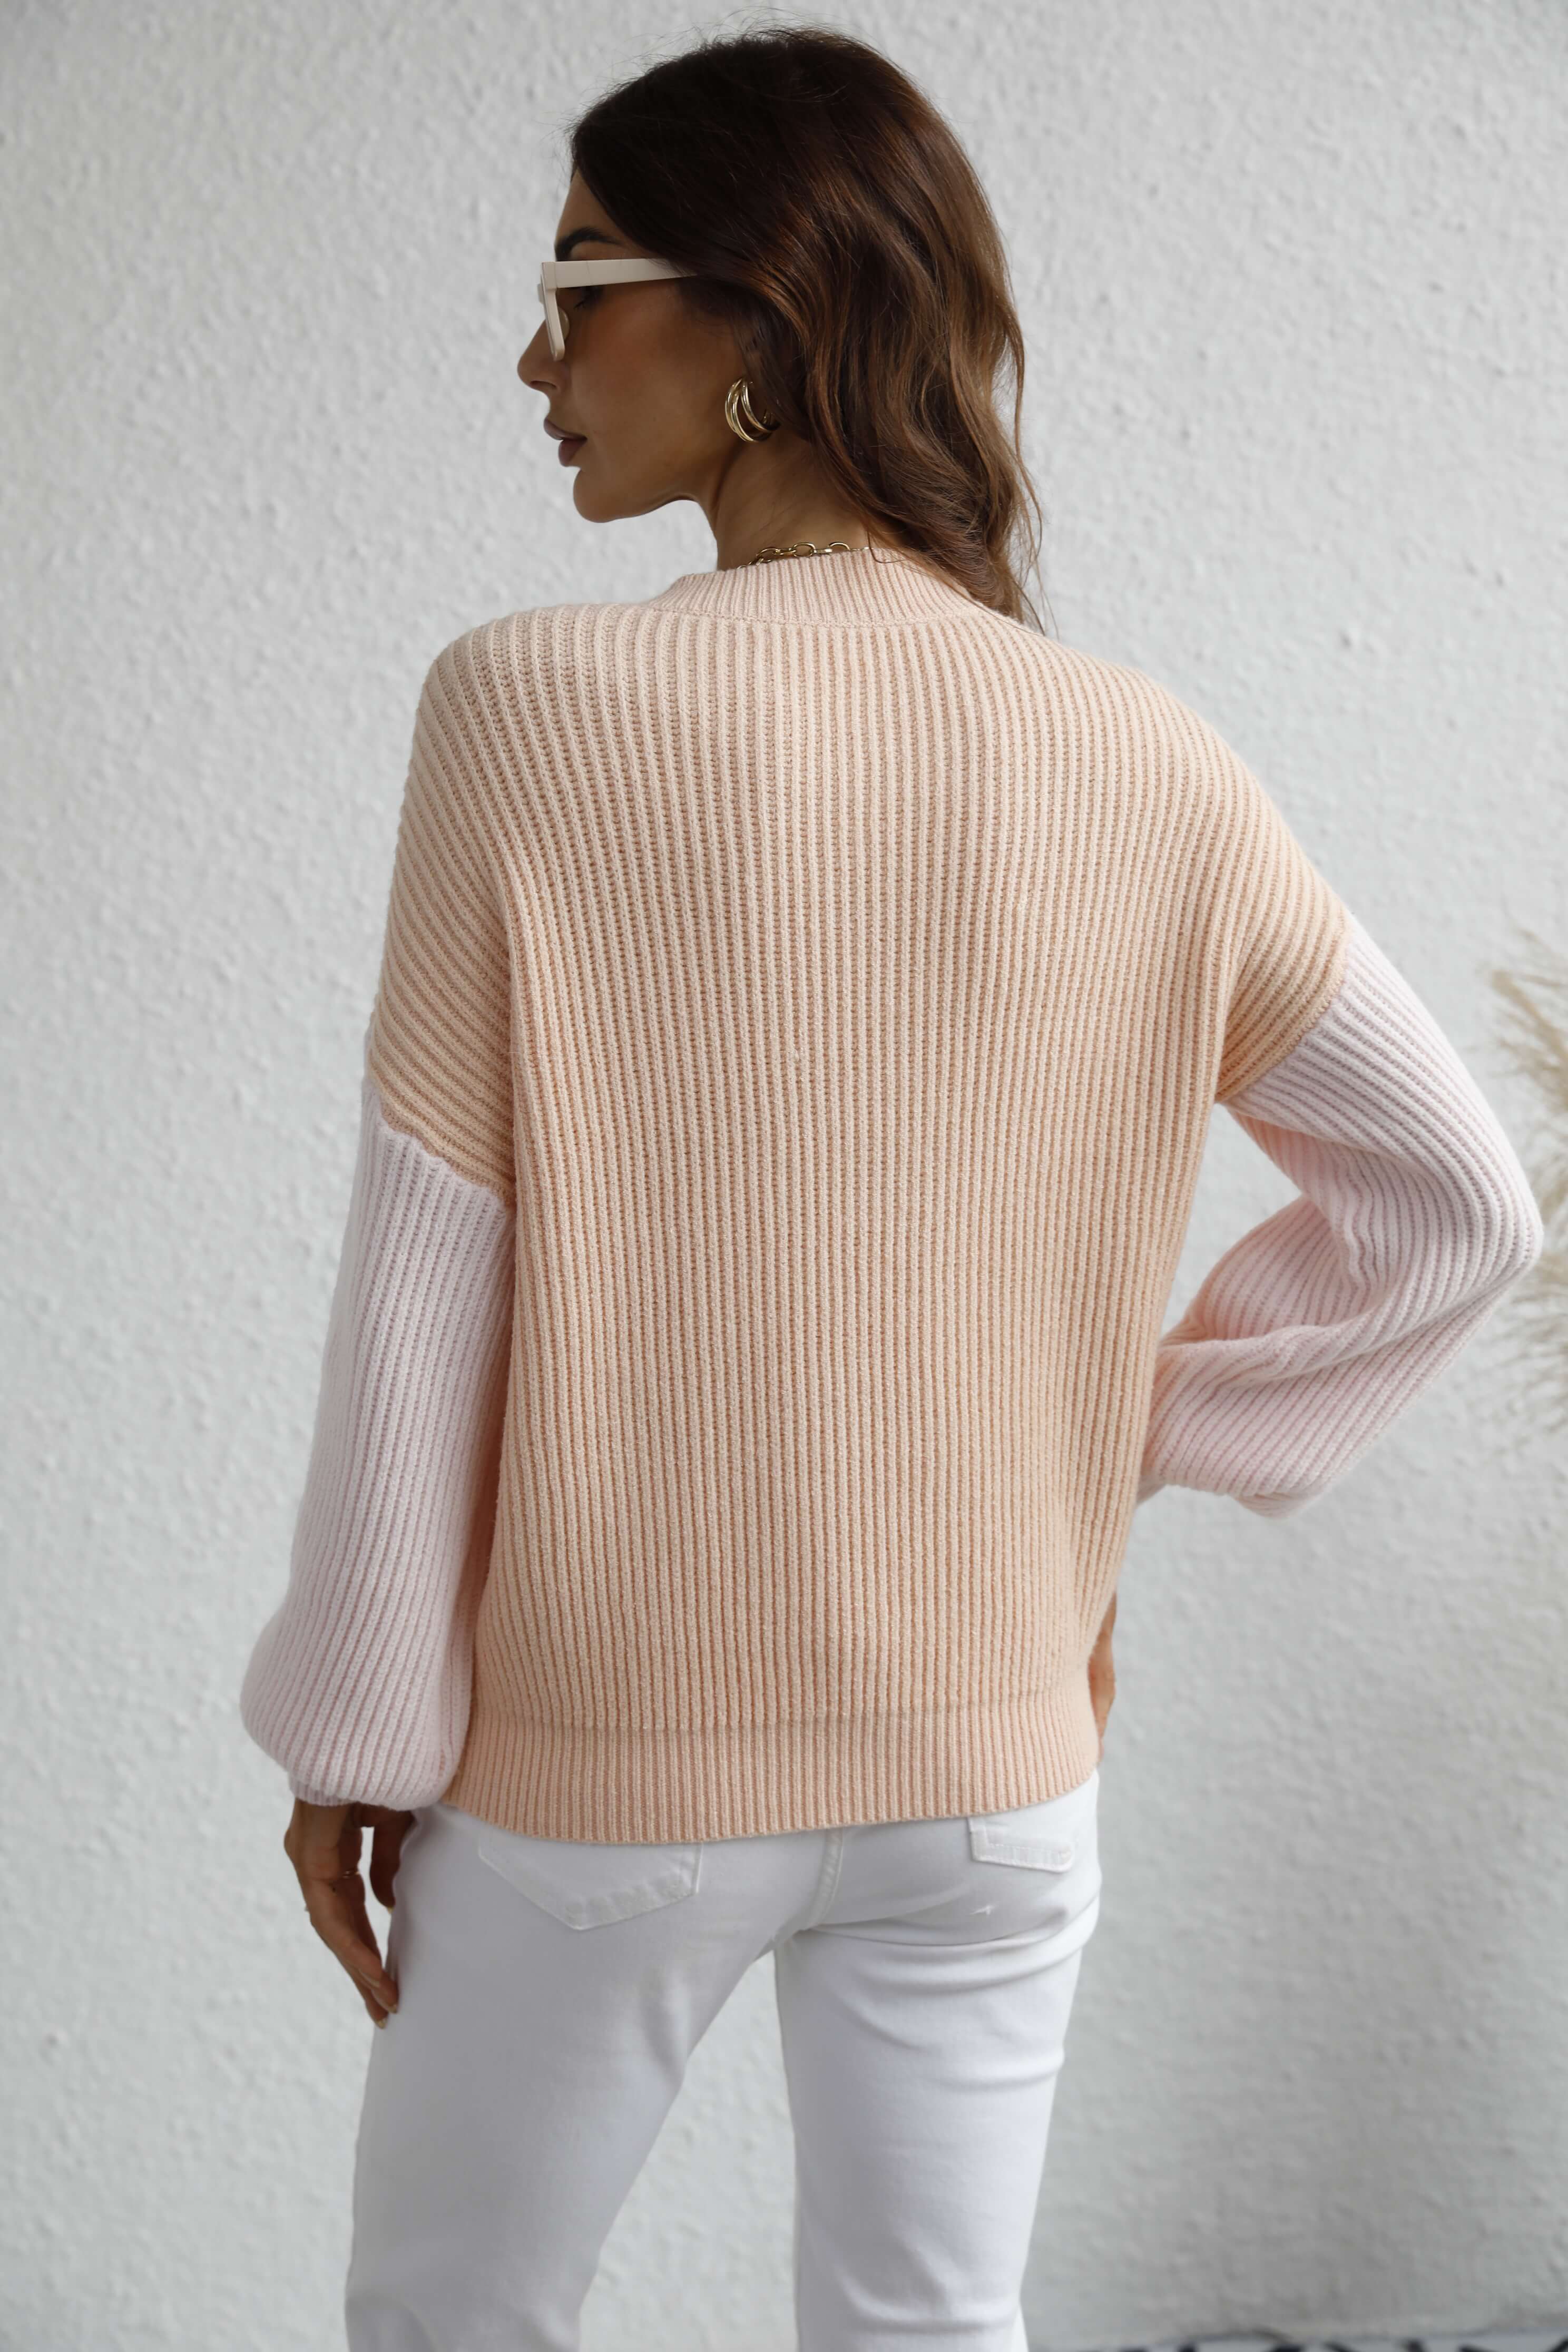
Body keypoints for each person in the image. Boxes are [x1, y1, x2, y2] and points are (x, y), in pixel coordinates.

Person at [238, 27, 1544, 2351]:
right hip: (992, 1773)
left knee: (451, 2319)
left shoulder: (528, 713)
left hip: (608, 1774)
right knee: (934, 2328)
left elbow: (429, 1262)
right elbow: (1460, 1204)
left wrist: (360, 1735)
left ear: (761, 313)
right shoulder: (1148, 758)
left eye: (578, 285)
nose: (535, 360)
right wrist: (1111, 1441)